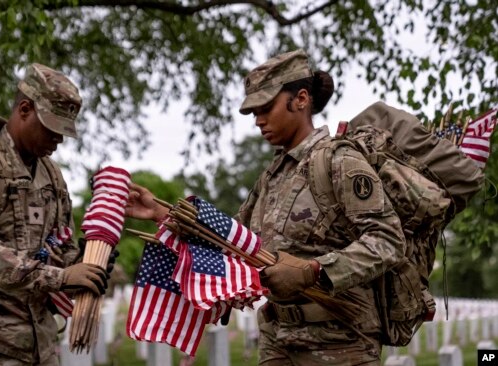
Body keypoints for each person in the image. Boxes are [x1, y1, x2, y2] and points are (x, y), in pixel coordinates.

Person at [126, 49, 406, 365]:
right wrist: (162, 214)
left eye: (266, 108)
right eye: (253, 113)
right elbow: (230, 240)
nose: (258, 121)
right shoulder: (272, 176)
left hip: (340, 345)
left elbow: (388, 240)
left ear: (301, 99)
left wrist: (313, 271)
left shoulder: (339, 161)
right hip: (278, 340)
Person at [0, 63, 109, 365]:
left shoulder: (52, 174)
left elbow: (60, 245)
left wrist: (85, 267)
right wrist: (60, 277)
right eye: (51, 127)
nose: (59, 139)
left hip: (40, 345)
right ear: (24, 109)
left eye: (64, 131)